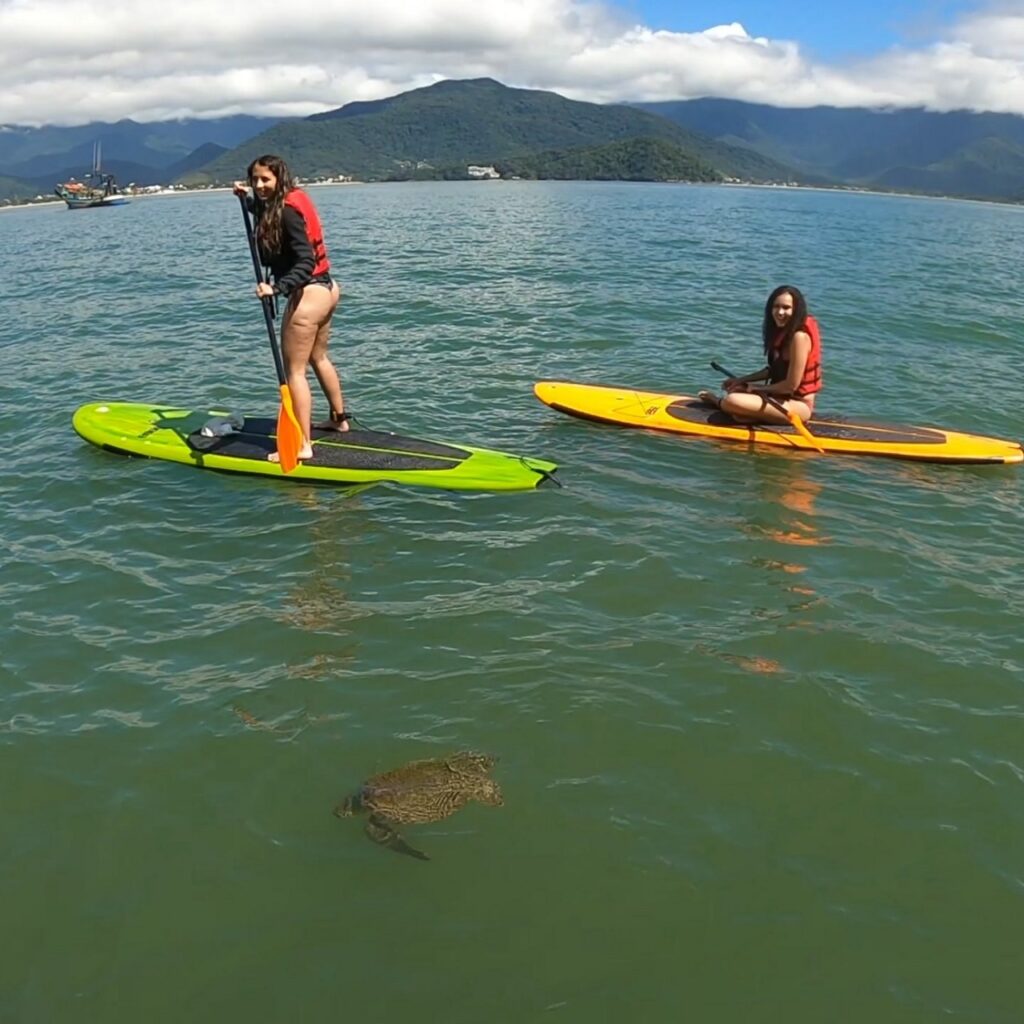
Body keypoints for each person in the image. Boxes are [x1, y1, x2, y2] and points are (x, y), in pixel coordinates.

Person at [233, 154, 347, 463]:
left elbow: (305, 260)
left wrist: (277, 287)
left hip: (308, 294)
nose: (259, 185)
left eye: (265, 180)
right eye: (254, 180)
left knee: (294, 371)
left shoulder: (288, 213)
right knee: (317, 357)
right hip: (328, 288)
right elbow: (269, 212)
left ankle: (303, 444)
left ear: (279, 178)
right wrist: (248, 201)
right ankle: (340, 419)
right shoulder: (286, 201)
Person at [698, 285, 822, 424]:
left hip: (799, 406)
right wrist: (741, 380)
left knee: (732, 400)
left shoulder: (799, 337)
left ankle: (717, 402)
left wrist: (758, 388)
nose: (780, 312)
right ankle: (746, 416)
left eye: (786, 308)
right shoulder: (783, 331)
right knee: (736, 390)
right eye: (776, 307)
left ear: (796, 310)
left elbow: (790, 386)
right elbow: (773, 371)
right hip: (779, 397)